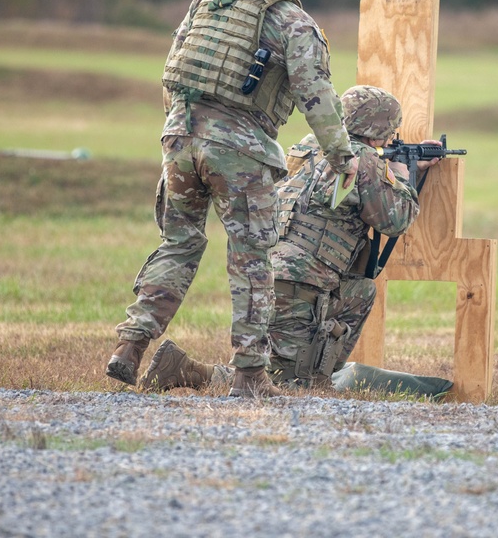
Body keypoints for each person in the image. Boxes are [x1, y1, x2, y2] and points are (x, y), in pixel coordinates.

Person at [106, 0, 358, 399]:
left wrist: (183, 130)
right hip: (239, 151)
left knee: (178, 245)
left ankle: (129, 348)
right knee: (251, 261)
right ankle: (248, 377)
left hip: (179, 136)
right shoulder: (292, 20)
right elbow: (317, 96)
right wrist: (342, 158)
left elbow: (172, 68)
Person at [139, 85, 441, 393]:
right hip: (297, 286)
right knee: (285, 383)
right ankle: (185, 369)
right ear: (378, 132)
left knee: (361, 291)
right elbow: (396, 219)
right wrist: (402, 175)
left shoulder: (309, 147)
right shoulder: (362, 160)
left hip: (270, 273)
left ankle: (317, 373)